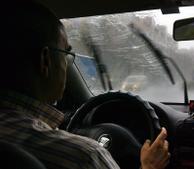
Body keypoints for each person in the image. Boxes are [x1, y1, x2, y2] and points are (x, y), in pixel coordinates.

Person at [0, 0, 170, 169]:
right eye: (66, 53)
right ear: (45, 60)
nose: (68, 63)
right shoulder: (84, 157)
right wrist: (149, 166)